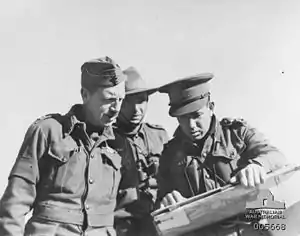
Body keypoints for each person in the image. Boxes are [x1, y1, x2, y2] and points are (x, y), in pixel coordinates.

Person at [0, 57, 138, 236]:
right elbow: (16, 201)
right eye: (109, 99)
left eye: (121, 100)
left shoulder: (121, 145)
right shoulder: (48, 131)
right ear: (85, 95)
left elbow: (128, 211)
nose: (116, 108)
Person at [156, 73, 287, 236]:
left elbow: (276, 156)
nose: (191, 125)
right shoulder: (170, 155)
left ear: (211, 107)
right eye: (182, 118)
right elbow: (162, 214)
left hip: (250, 228)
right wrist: (168, 203)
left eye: (196, 115)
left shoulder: (237, 134)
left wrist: (258, 166)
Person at [113, 67, 169, 236]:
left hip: (160, 222)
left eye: (141, 101)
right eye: (128, 102)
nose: (136, 109)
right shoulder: (105, 140)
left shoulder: (159, 135)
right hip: (121, 227)